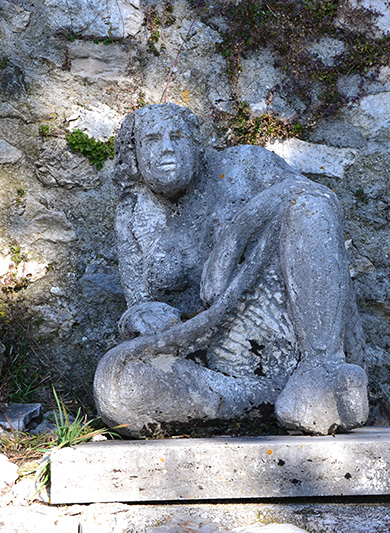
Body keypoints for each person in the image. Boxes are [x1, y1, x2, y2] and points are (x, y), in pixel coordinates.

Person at [94, 104, 368, 436]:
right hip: (211, 360)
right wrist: (141, 315)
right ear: (135, 155)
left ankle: (322, 372)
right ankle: (262, 400)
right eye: (152, 139)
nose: (167, 147)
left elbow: (323, 200)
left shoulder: (245, 166)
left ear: (197, 146)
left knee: (308, 209)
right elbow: (136, 305)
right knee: (117, 382)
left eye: (177, 136)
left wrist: (236, 235)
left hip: (287, 330)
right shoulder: (133, 213)